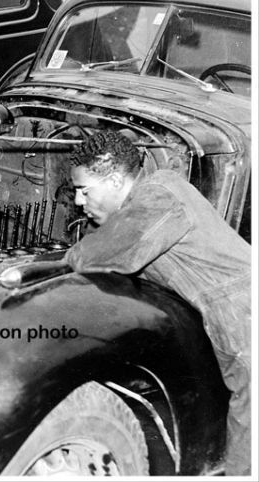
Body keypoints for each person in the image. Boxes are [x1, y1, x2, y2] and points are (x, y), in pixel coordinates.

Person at [64, 130, 251, 476]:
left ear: (117, 180)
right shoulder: (153, 194)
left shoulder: (159, 196)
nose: (78, 201)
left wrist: (62, 258)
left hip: (245, 310)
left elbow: (98, 253)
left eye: (85, 190)